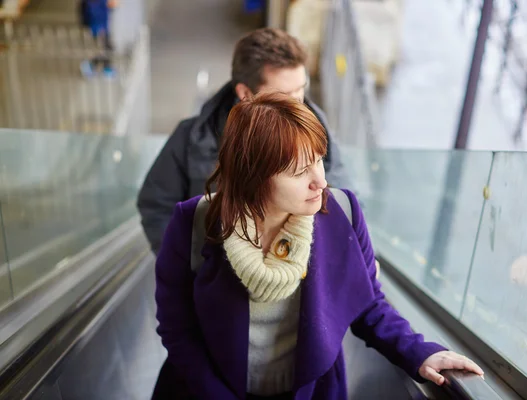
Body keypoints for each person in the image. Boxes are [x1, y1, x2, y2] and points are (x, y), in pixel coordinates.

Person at [152, 92, 484, 400]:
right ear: (252, 175)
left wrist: (420, 352)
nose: (320, 182)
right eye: (299, 172)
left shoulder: (343, 212)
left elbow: (368, 303)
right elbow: (177, 330)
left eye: (319, 160)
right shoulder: (194, 222)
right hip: (209, 390)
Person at [137, 28, 351, 255]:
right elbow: (157, 206)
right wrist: (185, 266)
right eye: (285, 95)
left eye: (301, 89)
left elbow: (345, 202)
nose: (298, 103)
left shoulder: (316, 127)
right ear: (245, 93)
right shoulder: (192, 137)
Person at [79, 0, 117, 78]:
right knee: (104, 50)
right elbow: (92, 16)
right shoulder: (92, 3)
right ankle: (92, 66)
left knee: (107, 48)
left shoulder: (100, 2)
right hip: (98, 29)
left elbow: (112, 5)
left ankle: (106, 68)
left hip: (103, 28)